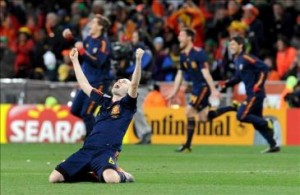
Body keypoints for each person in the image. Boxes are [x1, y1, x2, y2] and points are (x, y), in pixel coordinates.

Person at [49, 47, 144, 184]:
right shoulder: (105, 100)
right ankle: (93, 175)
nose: (119, 82)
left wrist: (138, 60)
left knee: (112, 179)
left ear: (128, 90)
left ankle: (124, 175)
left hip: (106, 152)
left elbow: (134, 85)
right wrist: (75, 61)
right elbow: (84, 85)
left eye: (124, 82)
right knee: (54, 178)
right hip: (87, 150)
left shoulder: (128, 105)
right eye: (118, 80)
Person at [217, 36, 280, 153]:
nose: (231, 47)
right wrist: (226, 83)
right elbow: (238, 78)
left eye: (233, 45)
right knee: (257, 123)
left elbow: (265, 68)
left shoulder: (246, 57)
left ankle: (268, 122)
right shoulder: (237, 60)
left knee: (241, 115)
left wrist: (259, 84)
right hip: (254, 94)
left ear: (241, 45)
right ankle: (273, 145)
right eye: (230, 45)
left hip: (255, 94)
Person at [167, 28, 220, 152]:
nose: (179, 38)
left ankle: (187, 145)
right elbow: (179, 75)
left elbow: (206, 73)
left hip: (203, 87)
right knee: (203, 118)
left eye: (181, 35)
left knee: (189, 112)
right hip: (196, 88)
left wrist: (213, 90)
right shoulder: (183, 55)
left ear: (189, 38)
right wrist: (174, 92)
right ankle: (233, 108)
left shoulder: (199, 53)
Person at [62, 14, 112, 137]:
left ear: (100, 27)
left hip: (99, 83)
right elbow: (81, 49)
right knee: (75, 110)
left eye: (94, 23)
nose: (90, 24)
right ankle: (98, 130)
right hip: (86, 83)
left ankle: (92, 142)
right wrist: (70, 38)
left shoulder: (104, 43)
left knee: (87, 113)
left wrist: (82, 51)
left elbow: (98, 62)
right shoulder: (89, 39)